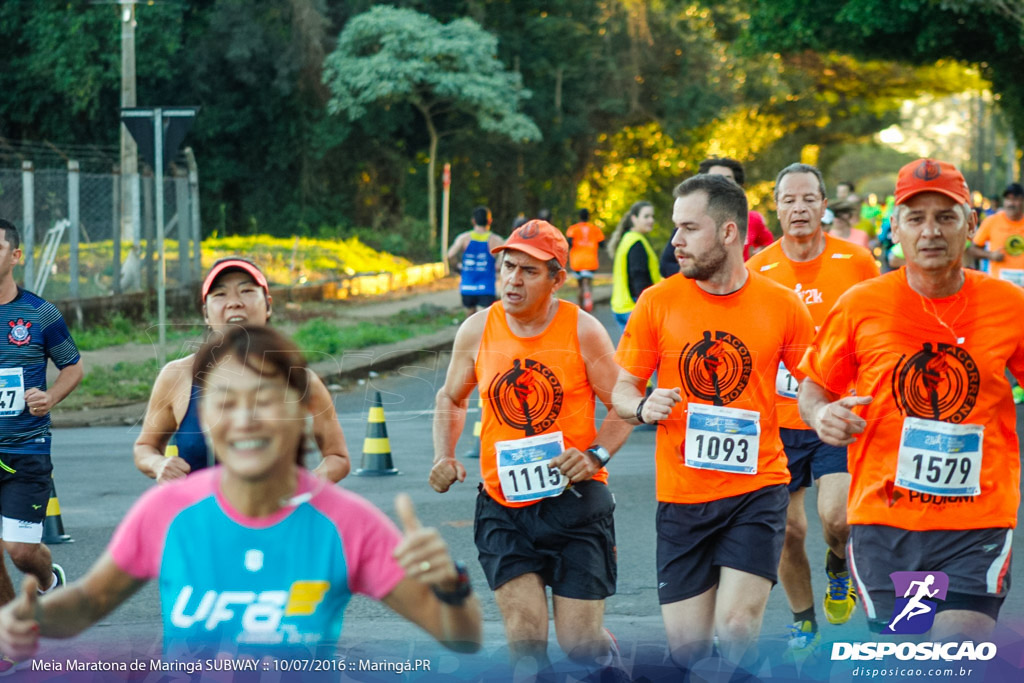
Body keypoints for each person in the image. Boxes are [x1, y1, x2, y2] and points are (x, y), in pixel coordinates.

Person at [0, 326, 482, 664]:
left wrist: (453, 588)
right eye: (225, 402)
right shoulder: (168, 512)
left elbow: (460, 637)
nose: (244, 418)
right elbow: (87, 602)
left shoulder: (345, 523)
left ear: (296, 409)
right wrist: (29, 618)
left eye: (264, 400)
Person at [798, 158, 1024, 640]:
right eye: (916, 218)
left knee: (956, 651)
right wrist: (821, 415)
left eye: (946, 216)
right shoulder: (861, 304)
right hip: (885, 520)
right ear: (895, 229)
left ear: (969, 226)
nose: (931, 232)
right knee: (907, 655)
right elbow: (814, 384)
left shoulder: (1009, 306)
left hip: (977, 519)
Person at [612, 175, 814, 670]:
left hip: (757, 488)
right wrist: (641, 407)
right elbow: (621, 390)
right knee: (690, 652)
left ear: (728, 233)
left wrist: (828, 413)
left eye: (687, 228)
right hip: (682, 498)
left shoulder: (781, 304)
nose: (674, 241)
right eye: (674, 228)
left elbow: (814, 382)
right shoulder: (657, 302)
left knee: (737, 627)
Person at [431, 220, 632, 673]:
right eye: (508, 267)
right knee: (525, 643)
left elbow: (625, 406)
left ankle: (607, 656)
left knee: (581, 647)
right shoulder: (477, 329)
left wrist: (594, 455)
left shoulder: (583, 331)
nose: (513, 280)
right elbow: (451, 396)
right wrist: (444, 454)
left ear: (557, 280)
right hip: (504, 506)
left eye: (529, 271)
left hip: (576, 505)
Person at [746, 164, 879, 658]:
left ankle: (838, 566)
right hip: (776, 421)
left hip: (837, 415)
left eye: (808, 199)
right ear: (776, 208)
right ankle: (805, 623)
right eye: (788, 200)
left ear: (824, 205)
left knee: (838, 518)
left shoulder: (857, 262)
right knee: (786, 530)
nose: (798, 209)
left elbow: (878, 329)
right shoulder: (758, 268)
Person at [134, 257, 350, 483]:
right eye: (220, 294)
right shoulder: (178, 376)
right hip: (201, 516)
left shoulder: (299, 378)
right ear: (206, 313)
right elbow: (145, 447)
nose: (234, 302)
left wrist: (304, 485)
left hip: (277, 516)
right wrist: (158, 464)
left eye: (246, 291)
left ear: (268, 305)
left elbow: (337, 457)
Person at [0, 219, 83, 671]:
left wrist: (49, 396)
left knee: (20, 551)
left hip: (26, 449)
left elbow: (73, 366)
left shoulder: (39, 313)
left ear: (15, 256)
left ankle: (49, 579)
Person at [660, 157, 773, 275]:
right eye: (713, 179)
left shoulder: (753, 219)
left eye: (728, 180)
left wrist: (758, 261)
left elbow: (770, 248)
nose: (721, 184)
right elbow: (666, 265)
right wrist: (693, 272)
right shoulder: (688, 223)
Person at [608, 201, 661, 332]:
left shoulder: (627, 239)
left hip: (621, 305)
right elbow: (638, 277)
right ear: (634, 218)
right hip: (633, 307)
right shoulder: (636, 243)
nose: (651, 220)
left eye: (652, 216)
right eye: (646, 216)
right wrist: (646, 308)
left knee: (629, 351)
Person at [448, 207, 505, 315]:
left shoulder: (464, 238)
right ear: (490, 221)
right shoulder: (496, 240)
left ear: (473, 221)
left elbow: (450, 255)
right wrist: (497, 266)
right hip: (486, 288)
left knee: (469, 323)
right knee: (483, 323)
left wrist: (457, 267)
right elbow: (503, 258)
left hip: (467, 287)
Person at [968, 182, 1024, 286]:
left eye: (1015, 199)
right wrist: (991, 255)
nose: (1011, 203)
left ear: (1022, 201)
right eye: (1008, 199)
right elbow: (972, 249)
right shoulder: (992, 221)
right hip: (999, 287)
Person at [565, 208, 604, 312]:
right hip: (590, 260)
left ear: (579, 217)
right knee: (588, 283)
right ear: (588, 217)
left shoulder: (573, 229)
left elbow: (569, 243)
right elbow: (602, 244)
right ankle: (588, 298)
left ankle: (580, 307)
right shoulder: (595, 229)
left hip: (577, 261)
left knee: (579, 285)